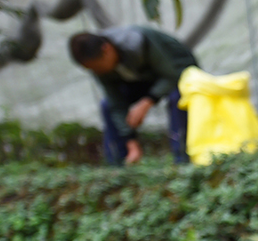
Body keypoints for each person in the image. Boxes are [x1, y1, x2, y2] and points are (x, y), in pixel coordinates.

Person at [68, 26, 198, 165]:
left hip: (179, 75)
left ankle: (182, 160)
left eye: (97, 67)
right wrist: (131, 142)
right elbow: (116, 103)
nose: (97, 72)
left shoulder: (138, 44)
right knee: (107, 106)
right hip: (144, 82)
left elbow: (173, 76)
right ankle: (119, 166)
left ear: (106, 49)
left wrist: (148, 101)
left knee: (177, 98)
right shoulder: (99, 67)